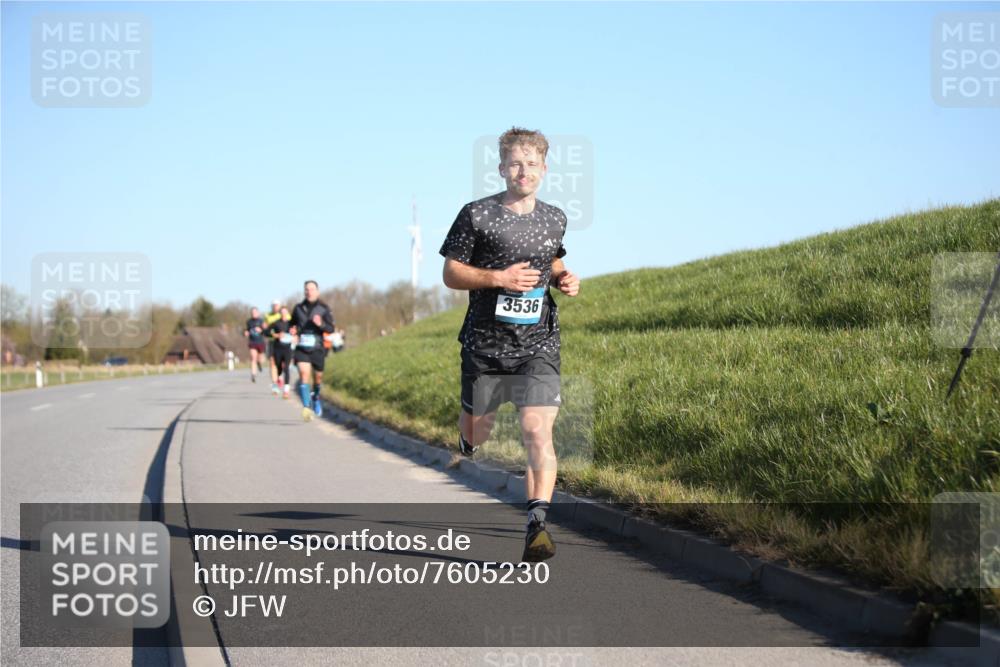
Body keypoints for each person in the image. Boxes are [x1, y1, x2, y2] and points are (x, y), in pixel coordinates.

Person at [440, 127, 580, 563]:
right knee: (477, 431)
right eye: (515, 164)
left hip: (538, 342)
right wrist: (498, 278)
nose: (524, 171)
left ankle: (537, 524)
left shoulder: (554, 217)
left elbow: (551, 258)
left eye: (533, 164)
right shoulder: (476, 215)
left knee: (537, 430)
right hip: (485, 344)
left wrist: (562, 277)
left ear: (544, 168)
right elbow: (451, 273)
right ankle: (467, 438)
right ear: (502, 168)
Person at [291, 280, 335, 420]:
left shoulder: (324, 308)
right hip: (302, 348)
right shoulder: (298, 308)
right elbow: (291, 324)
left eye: (311, 289)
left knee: (318, 379)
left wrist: (321, 323)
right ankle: (306, 407)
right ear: (304, 292)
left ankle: (316, 397)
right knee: (304, 374)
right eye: (306, 289)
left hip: (317, 348)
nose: (309, 291)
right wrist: (292, 329)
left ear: (317, 291)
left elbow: (330, 328)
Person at [266, 305, 294, 399]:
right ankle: (278, 379)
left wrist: (295, 335)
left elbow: (298, 332)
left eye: (285, 312)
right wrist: (276, 335)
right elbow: (266, 332)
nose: (284, 314)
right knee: (278, 367)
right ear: (280, 313)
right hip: (277, 348)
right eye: (282, 312)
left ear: (287, 313)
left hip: (288, 349)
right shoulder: (276, 323)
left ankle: (286, 390)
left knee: (286, 368)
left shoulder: (291, 324)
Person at [264, 300, 283, 394]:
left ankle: (279, 376)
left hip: (283, 343)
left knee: (282, 364)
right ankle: (275, 384)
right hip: (272, 342)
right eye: (273, 306)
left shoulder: (285, 315)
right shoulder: (267, 316)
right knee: (272, 362)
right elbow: (265, 328)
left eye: (277, 305)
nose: (275, 307)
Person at [244, 307, 266, 383]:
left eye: (255, 312)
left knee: (260, 359)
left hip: (260, 342)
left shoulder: (261, 321)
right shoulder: (249, 321)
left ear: (258, 313)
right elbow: (246, 329)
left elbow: (266, 331)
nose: (254, 314)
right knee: (253, 358)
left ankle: (259, 363)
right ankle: (253, 374)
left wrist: (261, 330)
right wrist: (246, 332)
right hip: (252, 342)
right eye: (252, 312)